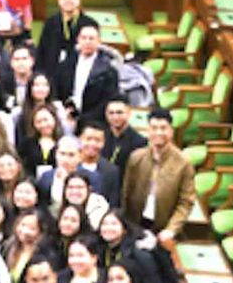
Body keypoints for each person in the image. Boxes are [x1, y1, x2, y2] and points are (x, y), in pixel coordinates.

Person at [121, 108, 195, 244]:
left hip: (164, 228)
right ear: (148, 131)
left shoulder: (183, 163)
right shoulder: (136, 157)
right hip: (136, 225)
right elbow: (126, 194)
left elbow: (185, 202)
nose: (158, 132)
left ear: (171, 131)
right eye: (154, 128)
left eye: (163, 128)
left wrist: (171, 230)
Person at [55, 24, 118, 124]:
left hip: (93, 120)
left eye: (91, 38)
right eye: (84, 38)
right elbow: (57, 90)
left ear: (98, 41)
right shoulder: (66, 64)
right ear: (78, 40)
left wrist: (83, 120)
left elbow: (108, 100)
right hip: (65, 115)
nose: (87, 42)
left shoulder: (108, 70)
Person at [37, 0, 99, 77]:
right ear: (59, 0)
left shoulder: (89, 24)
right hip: (53, 72)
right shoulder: (50, 23)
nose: (68, 0)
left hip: (79, 73)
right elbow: (42, 50)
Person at [78, 121, 121, 208]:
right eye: (88, 139)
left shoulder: (111, 171)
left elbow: (113, 203)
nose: (92, 144)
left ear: (104, 143)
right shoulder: (71, 165)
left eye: (97, 140)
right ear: (80, 139)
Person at [102, 95, 148, 174]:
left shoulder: (139, 142)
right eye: (111, 113)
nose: (115, 117)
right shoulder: (101, 137)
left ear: (129, 113)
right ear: (106, 114)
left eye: (119, 112)